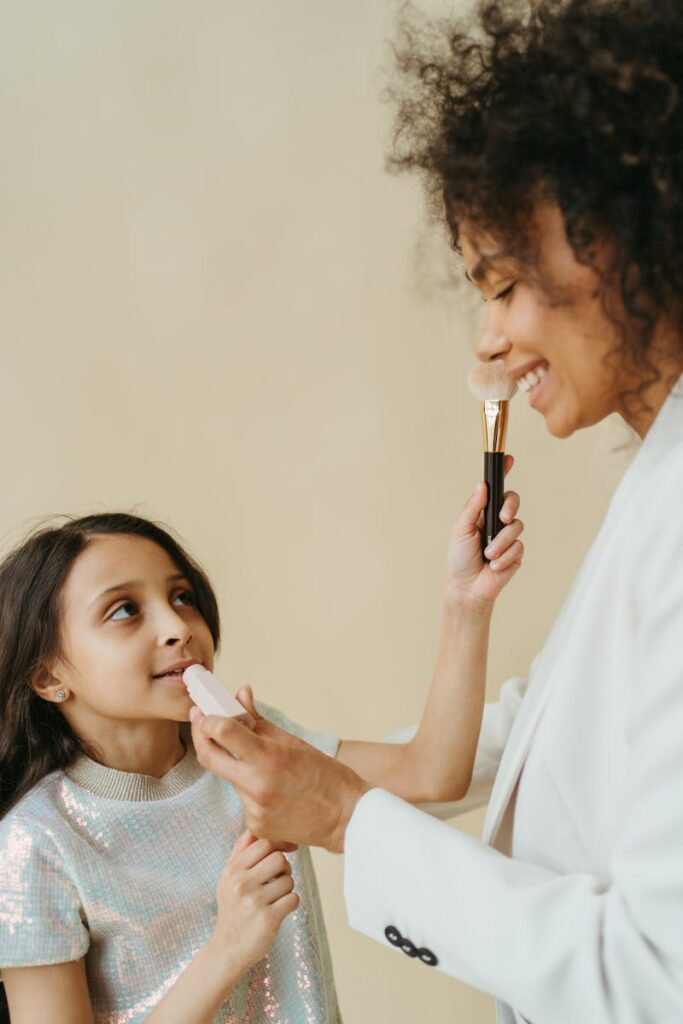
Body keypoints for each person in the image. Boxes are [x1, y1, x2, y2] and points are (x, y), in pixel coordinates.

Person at [186, 1, 683, 1021]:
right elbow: (535, 738)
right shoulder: (650, 479)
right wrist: (456, 621)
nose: (487, 342)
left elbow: (652, 977)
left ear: (634, 229)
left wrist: (342, 815)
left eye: (503, 285)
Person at [0, 503, 522, 1023]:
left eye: (182, 597)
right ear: (49, 677)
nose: (178, 626)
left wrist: (466, 605)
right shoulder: (35, 843)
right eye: (124, 610)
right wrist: (228, 949)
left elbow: (434, 772)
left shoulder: (253, 745)